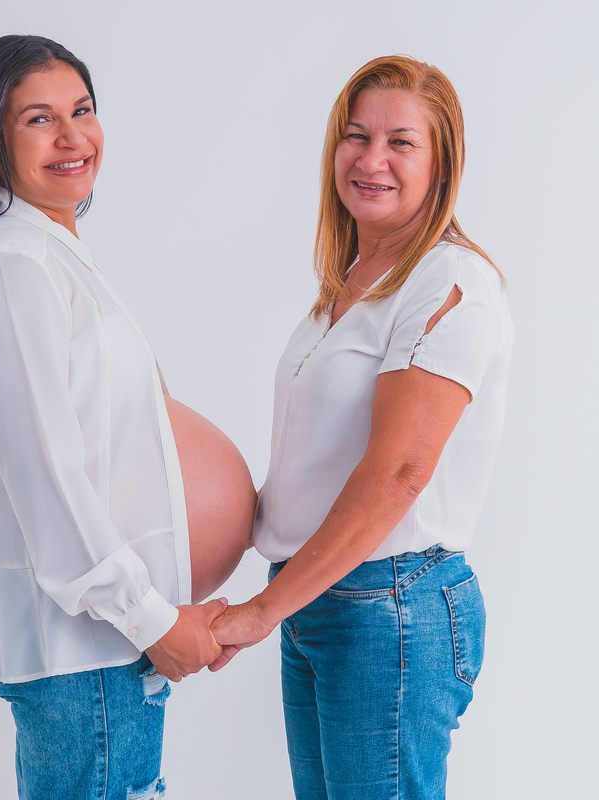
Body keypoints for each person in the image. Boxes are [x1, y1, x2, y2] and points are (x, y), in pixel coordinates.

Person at [0, 35, 254, 800]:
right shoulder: (10, 266)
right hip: (89, 653)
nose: (72, 137)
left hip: (104, 652)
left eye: (82, 111)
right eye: (38, 120)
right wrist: (152, 620)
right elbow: (45, 476)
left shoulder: (43, 253)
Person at [210, 55, 515, 800]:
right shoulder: (350, 286)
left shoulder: (449, 284)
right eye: (356, 136)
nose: (371, 159)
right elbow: (312, 464)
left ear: (442, 164)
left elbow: (399, 475)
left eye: (400, 142)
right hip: (317, 598)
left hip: (390, 607)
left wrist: (259, 614)